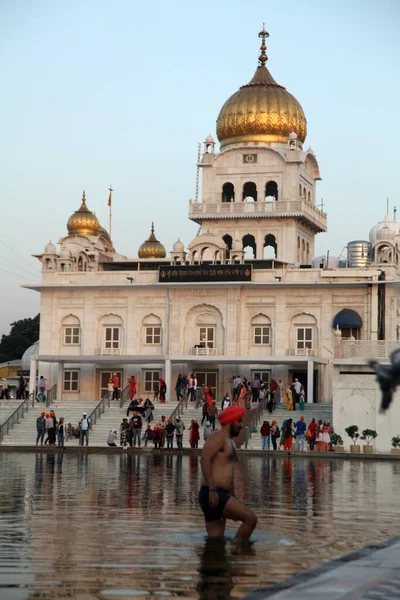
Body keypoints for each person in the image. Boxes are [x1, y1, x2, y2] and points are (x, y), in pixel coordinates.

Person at [199, 405, 257, 540]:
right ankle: (238, 555)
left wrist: (233, 496)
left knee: (216, 541)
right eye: (239, 421)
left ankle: (217, 559)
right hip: (213, 493)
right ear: (231, 421)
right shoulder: (219, 436)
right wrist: (212, 490)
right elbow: (204, 458)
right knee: (250, 518)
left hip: (219, 494)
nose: (241, 425)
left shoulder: (229, 441)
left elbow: (228, 472)